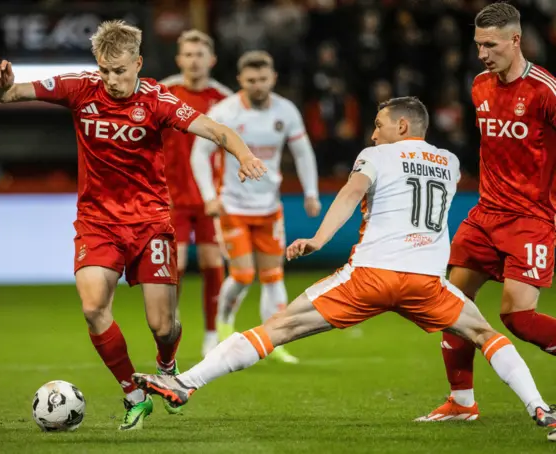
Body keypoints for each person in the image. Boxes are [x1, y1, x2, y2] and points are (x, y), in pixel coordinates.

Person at [131, 97, 556, 438]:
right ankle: (539, 407)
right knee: (485, 334)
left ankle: (184, 383)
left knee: (278, 328)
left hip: (369, 276)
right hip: (427, 282)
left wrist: (318, 238)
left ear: (402, 127)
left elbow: (352, 194)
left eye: (379, 124)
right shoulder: (448, 162)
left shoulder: (377, 156)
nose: (373, 133)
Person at [0, 20, 266, 431]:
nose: (111, 80)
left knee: (163, 325)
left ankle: (166, 365)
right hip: (98, 223)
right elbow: (10, 94)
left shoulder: (158, 99)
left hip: (150, 223)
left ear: (137, 63)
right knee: (93, 306)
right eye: (104, 70)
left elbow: (217, 130)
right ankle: (134, 395)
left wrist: (245, 156)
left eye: (120, 71)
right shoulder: (79, 87)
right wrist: (0, 86)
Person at [416, 2, 556, 425]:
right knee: (451, 303)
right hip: (485, 214)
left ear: (516, 40)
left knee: (518, 317)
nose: (482, 53)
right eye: (478, 44)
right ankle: (461, 402)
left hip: (531, 219)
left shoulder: (545, 91)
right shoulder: (479, 85)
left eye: (490, 45)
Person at [191, 50, 321, 364]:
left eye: (263, 79)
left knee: (274, 275)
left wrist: (311, 193)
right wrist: (210, 195)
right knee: (244, 274)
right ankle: (223, 330)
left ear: (273, 78)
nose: (258, 85)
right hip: (234, 206)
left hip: (269, 208)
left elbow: (302, 153)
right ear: (240, 81)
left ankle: (274, 341)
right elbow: (199, 153)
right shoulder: (225, 111)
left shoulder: (286, 111)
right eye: (251, 80)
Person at [160, 30, 233, 357]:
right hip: (171, 196)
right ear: (179, 59)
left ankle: (211, 333)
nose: (193, 60)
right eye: (187, 54)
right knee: (175, 266)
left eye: (199, 54)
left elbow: (233, 149)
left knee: (211, 261)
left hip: (210, 198)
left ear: (211, 60)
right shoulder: (165, 92)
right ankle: (170, 327)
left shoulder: (225, 100)